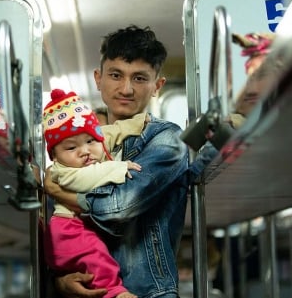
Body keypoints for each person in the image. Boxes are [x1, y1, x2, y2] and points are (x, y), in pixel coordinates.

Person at [43, 25, 217, 298]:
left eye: (139, 78)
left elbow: (120, 206)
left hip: (146, 292)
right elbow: (57, 230)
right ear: (98, 79)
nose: (126, 88)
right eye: (115, 75)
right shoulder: (75, 146)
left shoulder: (166, 139)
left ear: (157, 86)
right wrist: (61, 282)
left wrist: (58, 190)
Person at [43, 88, 149, 298]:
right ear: (55, 155)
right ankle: (114, 292)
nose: (84, 151)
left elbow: (115, 131)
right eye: (71, 148)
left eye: (91, 141)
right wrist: (118, 167)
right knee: (97, 257)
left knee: (97, 257)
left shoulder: (97, 149)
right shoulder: (60, 172)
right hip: (69, 230)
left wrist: (139, 123)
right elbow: (89, 177)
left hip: (79, 228)